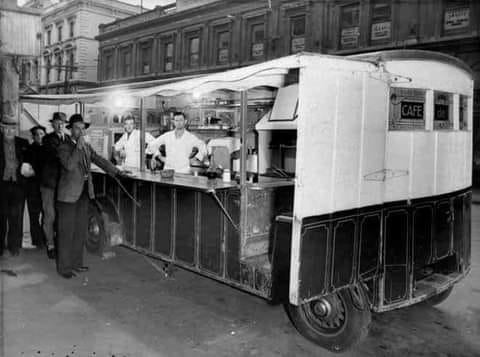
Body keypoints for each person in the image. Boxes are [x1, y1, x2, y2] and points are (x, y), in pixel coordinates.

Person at [56, 114, 128, 279]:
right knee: (67, 232)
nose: (80, 131)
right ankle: (64, 268)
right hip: (67, 197)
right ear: (71, 130)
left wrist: (117, 171)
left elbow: (99, 160)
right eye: (77, 128)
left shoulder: (87, 147)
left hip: (84, 194)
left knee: (80, 231)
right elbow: (69, 165)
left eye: (83, 128)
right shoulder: (64, 147)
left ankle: (76, 263)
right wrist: (78, 148)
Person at [41, 112, 68, 259]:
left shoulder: (68, 139)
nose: (60, 125)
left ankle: (59, 244)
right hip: (49, 184)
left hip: (63, 185)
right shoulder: (48, 139)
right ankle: (50, 245)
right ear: (53, 124)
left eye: (62, 123)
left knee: (61, 216)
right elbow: (58, 156)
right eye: (57, 122)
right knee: (49, 215)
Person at [0, 118, 29, 257]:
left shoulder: (23, 143)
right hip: (2, 185)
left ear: (15, 129)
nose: (9, 131)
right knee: (1, 216)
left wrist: (30, 170)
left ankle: (14, 246)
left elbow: (30, 162)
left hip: (18, 186)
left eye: (12, 129)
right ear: (2, 129)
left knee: (16, 217)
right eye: (6, 128)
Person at [25, 125, 47, 248]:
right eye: (37, 134)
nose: (39, 136)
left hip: (45, 188)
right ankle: (37, 241)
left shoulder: (48, 149)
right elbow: (27, 170)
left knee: (46, 215)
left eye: (42, 134)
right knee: (34, 216)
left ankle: (45, 238)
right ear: (33, 136)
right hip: (33, 188)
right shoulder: (29, 150)